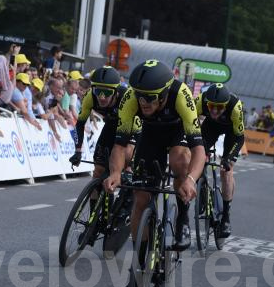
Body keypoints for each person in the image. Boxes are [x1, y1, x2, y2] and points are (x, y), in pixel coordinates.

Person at [104, 60, 206, 267]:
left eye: (150, 97)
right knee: (140, 199)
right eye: (140, 96)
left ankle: (182, 218)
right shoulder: (131, 98)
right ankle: (140, 263)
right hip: (151, 135)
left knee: (179, 160)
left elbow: (199, 150)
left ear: (165, 93)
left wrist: (191, 179)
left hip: (177, 132)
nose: (143, 102)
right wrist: (115, 172)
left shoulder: (181, 95)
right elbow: (119, 145)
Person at [69, 67, 133, 223]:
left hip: (132, 127)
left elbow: (130, 136)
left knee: (127, 157)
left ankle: (128, 193)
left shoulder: (127, 98)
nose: (102, 97)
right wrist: (78, 150)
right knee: (98, 172)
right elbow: (80, 124)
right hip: (111, 126)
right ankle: (94, 219)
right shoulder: (90, 97)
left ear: (116, 92)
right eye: (99, 92)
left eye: (107, 93)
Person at [196, 83, 245, 237]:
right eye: (211, 106)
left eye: (219, 107)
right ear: (207, 103)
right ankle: (202, 191)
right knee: (196, 156)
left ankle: (226, 217)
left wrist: (228, 158)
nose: (215, 110)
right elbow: (189, 121)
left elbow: (239, 137)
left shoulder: (235, 106)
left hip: (232, 132)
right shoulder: (200, 100)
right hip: (211, 127)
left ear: (225, 105)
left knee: (226, 171)